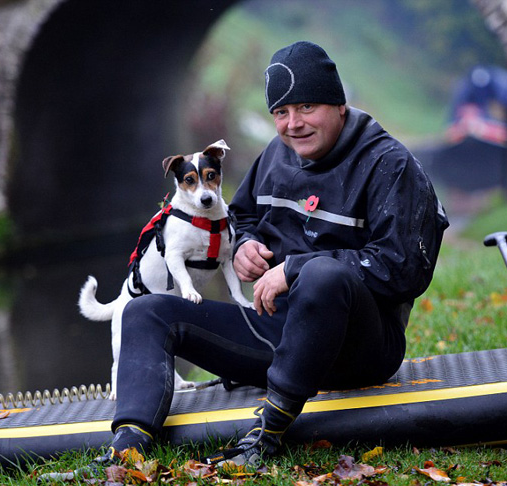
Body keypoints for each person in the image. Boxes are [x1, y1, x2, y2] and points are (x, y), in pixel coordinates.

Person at [98, 40, 449, 468]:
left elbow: (403, 270)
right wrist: (242, 244)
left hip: (360, 350)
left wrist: (295, 269)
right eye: (281, 113)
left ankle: (266, 436)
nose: (292, 124)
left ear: (338, 104)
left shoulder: (390, 165)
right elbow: (238, 215)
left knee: (321, 276)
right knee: (146, 310)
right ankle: (127, 450)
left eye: (306, 108)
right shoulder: (276, 156)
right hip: (275, 335)